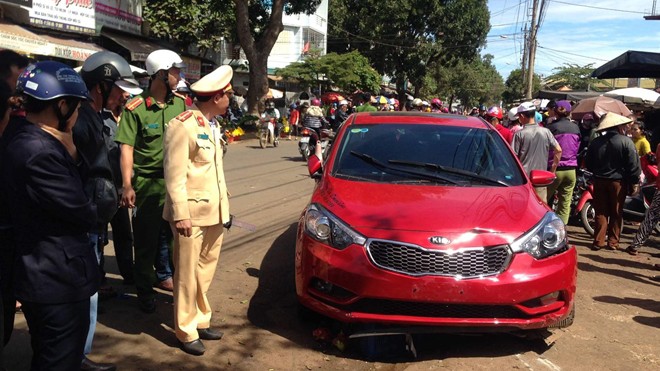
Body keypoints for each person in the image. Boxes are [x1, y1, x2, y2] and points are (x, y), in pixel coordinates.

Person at [0, 61, 98, 370]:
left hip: (42, 275)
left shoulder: (24, 136)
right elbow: (85, 212)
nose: (79, 115)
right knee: (58, 360)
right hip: (56, 279)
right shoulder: (40, 152)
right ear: (62, 105)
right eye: (77, 107)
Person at [76, 51, 144, 371]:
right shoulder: (82, 120)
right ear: (101, 85)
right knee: (84, 294)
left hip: (94, 217)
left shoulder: (92, 116)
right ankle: (76, 357)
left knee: (88, 291)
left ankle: (78, 354)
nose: (122, 94)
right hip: (84, 218)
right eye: (117, 87)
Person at [163, 65, 233, 356]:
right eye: (228, 94)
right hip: (190, 215)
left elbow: (214, 173)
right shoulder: (183, 125)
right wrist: (180, 214)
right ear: (216, 97)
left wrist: (226, 210)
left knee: (204, 271)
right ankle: (185, 329)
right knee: (187, 273)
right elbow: (174, 174)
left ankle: (200, 319)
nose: (231, 98)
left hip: (214, 212)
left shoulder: (211, 125)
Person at [115, 49, 186, 313]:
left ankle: (176, 285)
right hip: (147, 183)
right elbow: (126, 148)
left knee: (175, 240)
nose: (179, 76)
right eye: (175, 72)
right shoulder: (135, 108)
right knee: (146, 242)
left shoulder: (180, 104)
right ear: (161, 74)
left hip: (176, 184)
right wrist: (127, 184)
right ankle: (144, 291)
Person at [585, 112, 641, 251]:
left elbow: (588, 163)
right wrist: (634, 181)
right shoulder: (626, 141)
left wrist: (597, 171)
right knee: (616, 212)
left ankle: (598, 241)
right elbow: (633, 165)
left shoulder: (596, 142)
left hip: (599, 180)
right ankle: (613, 242)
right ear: (618, 126)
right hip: (618, 182)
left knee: (600, 212)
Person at [511, 102, 562, 202]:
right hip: (541, 180)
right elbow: (558, 150)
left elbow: (513, 157)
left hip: (524, 180)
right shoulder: (546, 132)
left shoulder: (519, 134)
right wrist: (553, 170)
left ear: (522, 116)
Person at [545, 100, 580, 224]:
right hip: (571, 170)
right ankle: (562, 228)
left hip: (554, 169)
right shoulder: (576, 127)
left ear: (555, 111)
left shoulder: (551, 127)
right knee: (565, 203)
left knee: (543, 201)